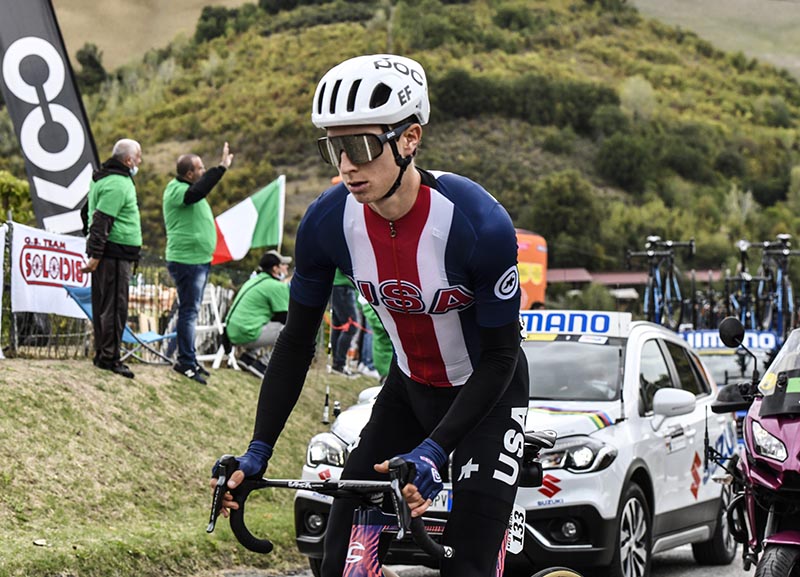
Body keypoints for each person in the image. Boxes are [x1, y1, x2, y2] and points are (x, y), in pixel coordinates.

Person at [214, 54, 528, 577]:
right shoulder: (326, 222)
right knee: (339, 564)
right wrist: (258, 450)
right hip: (407, 392)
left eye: (360, 145)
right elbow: (295, 343)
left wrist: (435, 450)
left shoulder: (478, 223)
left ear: (410, 139)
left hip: (487, 398)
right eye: (334, 148)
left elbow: (499, 355)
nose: (346, 166)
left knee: (468, 565)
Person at [163, 142, 234, 384]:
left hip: (197, 260)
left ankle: (190, 359)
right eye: (201, 168)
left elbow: (200, 190)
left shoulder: (189, 188)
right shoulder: (177, 190)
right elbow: (197, 192)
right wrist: (221, 168)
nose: (204, 172)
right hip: (187, 261)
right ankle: (185, 361)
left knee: (189, 311)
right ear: (190, 173)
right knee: (189, 311)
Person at [81, 138, 143, 379]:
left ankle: (102, 354)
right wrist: (96, 254)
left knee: (103, 305)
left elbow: (85, 212)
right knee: (115, 308)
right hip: (114, 254)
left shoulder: (103, 178)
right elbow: (101, 221)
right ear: (127, 160)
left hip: (111, 253)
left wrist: (94, 248)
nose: (140, 161)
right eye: (138, 157)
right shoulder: (118, 183)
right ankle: (110, 358)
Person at [224, 250, 291, 374]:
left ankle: (247, 358)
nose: (287, 267)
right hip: (245, 334)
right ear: (275, 269)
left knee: (266, 321)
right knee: (293, 331)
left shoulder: (254, 280)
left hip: (230, 331)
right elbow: (285, 318)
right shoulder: (276, 286)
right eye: (283, 264)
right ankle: (263, 365)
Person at [329, 268, 359, 376]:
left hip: (339, 286)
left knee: (340, 326)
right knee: (350, 327)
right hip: (343, 287)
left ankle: (337, 364)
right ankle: (339, 364)